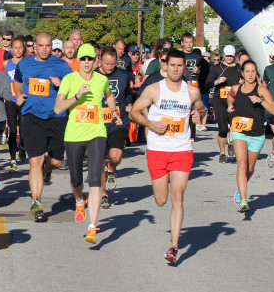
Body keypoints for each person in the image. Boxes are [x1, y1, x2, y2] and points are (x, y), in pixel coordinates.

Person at [129, 49, 206, 265]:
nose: (175, 69)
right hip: (158, 149)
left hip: (181, 148)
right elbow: (134, 111)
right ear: (166, 65)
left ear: (184, 67)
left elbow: (200, 109)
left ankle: (174, 246)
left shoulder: (191, 92)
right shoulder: (154, 90)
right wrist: (152, 124)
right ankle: (171, 232)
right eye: (172, 65)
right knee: (161, 200)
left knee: (178, 195)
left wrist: (200, 115)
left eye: (180, 66)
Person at [54, 44, 116, 243]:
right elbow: (57, 108)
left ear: (96, 60)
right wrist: (77, 96)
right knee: (76, 180)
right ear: (79, 61)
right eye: (83, 59)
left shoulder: (102, 80)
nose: (87, 62)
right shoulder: (69, 79)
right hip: (73, 135)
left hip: (97, 133)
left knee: (96, 176)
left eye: (90, 58)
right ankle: (80, 200)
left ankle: (92, 226)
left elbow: (109, 95)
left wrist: (114, 111)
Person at [12, 32, 73, 221]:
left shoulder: (62, 65)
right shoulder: (24, 64)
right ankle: (36, 202)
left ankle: (48, 170)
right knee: (34, 161)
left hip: (56, 117)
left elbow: (73, 88)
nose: (45, 49)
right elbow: (17, 81)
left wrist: (61, 84)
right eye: (41, 46)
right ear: (34, 47)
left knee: (55, 161)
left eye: (48, 46)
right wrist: (19, 95)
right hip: (32, 117)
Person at [227, 59, 274, 213]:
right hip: (239, 131)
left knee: (249, 168)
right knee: (242, 164)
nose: (250, 74)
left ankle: (239, 190)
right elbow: (230, 96)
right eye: (247, 71)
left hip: (256, 134)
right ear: (242, 73)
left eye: (253, 71)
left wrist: (261, 100)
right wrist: (230, 105)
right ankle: (244, 201)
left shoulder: (262, 90)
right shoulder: (236, 89)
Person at [98, 47, 132, 205]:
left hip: (118, 122)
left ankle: (112, 168)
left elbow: (127, 94)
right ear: (100, 60)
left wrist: (130, 103)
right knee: (99, 161)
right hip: (98, 124)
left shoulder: (123, 75)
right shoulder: (94, 76)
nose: (110, 67)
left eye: (113, 64)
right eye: (107, 64)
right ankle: (103, 193)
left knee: (115, 157)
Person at [207, 45, 242, 163]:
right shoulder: (217, 68)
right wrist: (217, 81)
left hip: (235, 102)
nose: (229, 58)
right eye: (227, 56)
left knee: (235, 127)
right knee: (222, 129)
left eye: (231, 56)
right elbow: (207, 83)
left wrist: (243, 82)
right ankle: (222, 153)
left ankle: (231, 142)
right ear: (223, 55)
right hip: (219, 101)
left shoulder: (239, 68)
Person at [3, 36, 26, 167]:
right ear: (11, 49)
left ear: (23, 49)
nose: (18, 50)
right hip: (11, 100)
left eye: (20, 47)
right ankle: (13, 159)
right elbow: (4, 80)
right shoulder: (6, 63)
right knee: (12, 129)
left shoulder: (27, 62)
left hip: (23, 99)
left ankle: (22, 146)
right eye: (15, 47)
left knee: (23, 129)